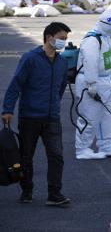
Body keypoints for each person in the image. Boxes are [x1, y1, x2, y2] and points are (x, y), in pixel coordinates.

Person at [1, 22, 72, 206]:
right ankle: (27, 190)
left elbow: (61, 86)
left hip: (52, 118)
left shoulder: (62, 62)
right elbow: (15, 85)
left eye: (65, 39)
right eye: (61, 38)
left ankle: (54, 194)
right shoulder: (30, 59)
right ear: (49, 38)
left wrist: (54, 104)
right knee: (26, 156)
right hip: (30, 117)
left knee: (56, 156)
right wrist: (8, 110)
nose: (64, 42)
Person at [74, 9, 111, 159]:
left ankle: (107, 145)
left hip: (106, 81)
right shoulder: (92, 39)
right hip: (91, 81)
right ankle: (82, 149)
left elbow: (110, 60)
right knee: (89, 117)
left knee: (108, 115)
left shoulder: (107, 37)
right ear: (104, 24)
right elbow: (90, 62)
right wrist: (91, 84)